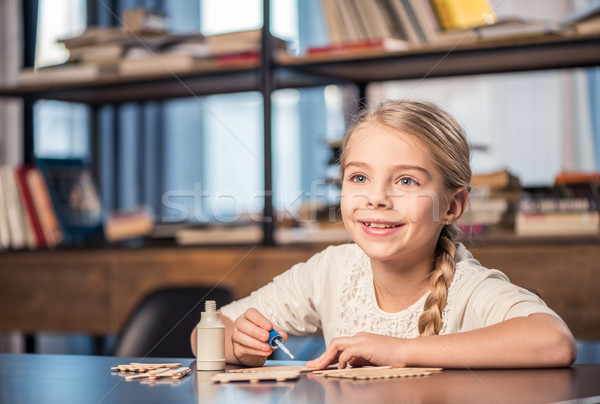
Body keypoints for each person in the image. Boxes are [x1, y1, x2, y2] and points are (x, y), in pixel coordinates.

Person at [190, 100, 577, 369]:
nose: (376, 198)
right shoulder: (330, 271)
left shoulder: (469, 288)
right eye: (359, 177)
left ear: (453, 205)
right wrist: (239, 344)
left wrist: (402, 351)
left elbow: (553, 341)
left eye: (406, 180)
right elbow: (204, 332)